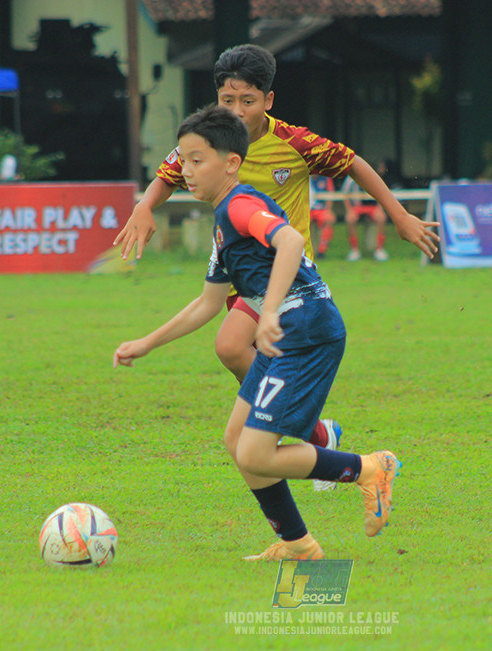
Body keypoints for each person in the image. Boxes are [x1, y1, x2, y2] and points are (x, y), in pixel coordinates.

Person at [112, 44, 438, 461]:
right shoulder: (209, 143)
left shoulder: (293, 142)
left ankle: (307, 433)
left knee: (231, 348)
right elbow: (170, 172)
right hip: (238, 263)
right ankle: (313, 433)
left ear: (267, 101)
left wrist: (399, 216)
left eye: (247, 101)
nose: (236, 110)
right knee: (231, 350)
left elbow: (353, 162)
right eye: (227, 100)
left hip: (285, 271)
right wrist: (143, 206)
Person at [113, 106, 401, 561]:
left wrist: (268, 312)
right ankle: (299, 544)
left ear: (231, 163)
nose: (185, 171)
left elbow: (289, 241)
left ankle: (368, 468)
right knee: (237, 441)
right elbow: (208, 303)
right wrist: (147, 342)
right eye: (183, 160)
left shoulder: (240, 204)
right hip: (286, 333)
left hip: (305, 331)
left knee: (255, 453)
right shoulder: (223, 221)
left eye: (196, 160)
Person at [340, 158, 391, 262]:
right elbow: (345, 195)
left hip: (372, 207)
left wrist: (379, 208)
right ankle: (354, 250)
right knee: (350, 219)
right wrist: (349, 210)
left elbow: (383, 195)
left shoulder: (376, 178)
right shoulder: (350, 179)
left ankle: (379, 249)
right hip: (357, 207)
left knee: (381, 217)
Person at [309, 174, 337, 258]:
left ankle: (322, 250)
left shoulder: (326, 178)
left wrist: (328, 210)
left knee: (329, 219)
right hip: (307, 209)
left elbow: (330, 194)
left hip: (321, 209)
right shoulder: (305, 177)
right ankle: (305, 251)